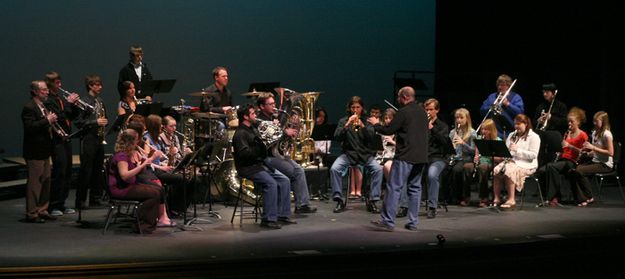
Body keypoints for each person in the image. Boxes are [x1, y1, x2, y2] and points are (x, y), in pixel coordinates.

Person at [369, 86, 428, 231]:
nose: (397, 100)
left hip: (406, 155)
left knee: (394, 187)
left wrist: (376, 124)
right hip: (421, 156)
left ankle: (388, 221)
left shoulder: (403, 112)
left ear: (405, 97)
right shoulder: (422, 112)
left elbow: (389, 130)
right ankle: (413, 223)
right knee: (414, 188)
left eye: (399, 97)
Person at [231, 104, 295, 229]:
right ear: (245, 116)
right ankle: (268, 219)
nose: (256, 115)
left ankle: (282, 215)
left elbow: (263, 144)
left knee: (284, 180)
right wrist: (260, 148)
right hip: (248, 168)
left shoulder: (253, 129)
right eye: (253, 113)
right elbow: (244, 154)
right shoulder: (240, 134)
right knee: (271, 184)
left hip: (259, 165)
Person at [256, 95, 317, 214]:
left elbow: (283, 137)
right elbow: (268, 140)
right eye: (270, 104)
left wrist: (293, 125)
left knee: (299, 170)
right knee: (293, 172)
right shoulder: (260, 120)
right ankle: (284, 210)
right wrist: (284, 132)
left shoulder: (275, 117)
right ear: (262, 106)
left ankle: (302, 204)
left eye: (274, 103)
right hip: (267, 157)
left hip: (277, 155)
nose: (274, 106)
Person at [398, 98, 450, 218]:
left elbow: (444, 142)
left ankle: (432, 207)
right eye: (426, 109)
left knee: (432, 175)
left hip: (438, 158)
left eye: (431, 109)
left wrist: (432, 128)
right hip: (422, 157)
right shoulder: (420, 124)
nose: (428, 112)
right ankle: (404, 206)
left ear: (437, 110)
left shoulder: (443, 126)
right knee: (405, 174)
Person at [330, 96, 383, 213]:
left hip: (365, 154)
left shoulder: (367, 121)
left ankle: (373, 201)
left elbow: (371, 139)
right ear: (349, 108)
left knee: (378, 169)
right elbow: (337, 137)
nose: (355, 110)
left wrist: (363, 127)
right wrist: (348, 124)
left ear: (362, 108)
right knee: (335, 169)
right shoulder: (343, 121)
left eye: (358, 107)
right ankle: (339, 200)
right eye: (353, 107)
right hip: (349, 154)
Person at [108, 129, 164, 233]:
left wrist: (143, 162)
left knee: (158, 190)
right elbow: (124, 176)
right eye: (136, 140)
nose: (138, 143)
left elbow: (134, 172)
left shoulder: (127, 154)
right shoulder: (121, 156)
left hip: (129, 185)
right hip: (121, 190)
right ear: (131, 142)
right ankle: (143, 225)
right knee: (154, 193)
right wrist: (143, 165)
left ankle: (147, 223)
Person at [44, 72, 80, 217]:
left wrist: (75, 106)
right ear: (50, 84)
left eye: (60, 82)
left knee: (68, 171)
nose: (60, 85)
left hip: (66, 137)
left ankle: (62, 203)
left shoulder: (59, 98)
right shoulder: (49, 100)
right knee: (60, 171)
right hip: (57, 139)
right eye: (57, 83)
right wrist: (69, 103)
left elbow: (70, 115)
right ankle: (53, 205)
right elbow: (60, 116)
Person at [21, 80, 58, 223]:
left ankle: (42, 209)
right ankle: (31, 213)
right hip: (34, 151)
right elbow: (30, 127)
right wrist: (47, 120)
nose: (47, 91)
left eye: (47, 89)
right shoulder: (29, 107)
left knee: (46, 181)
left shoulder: (43, 106)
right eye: (43, 89)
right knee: (35, 184)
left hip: (45, 150)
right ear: (35, 92)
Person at [542, 107, 589, 207]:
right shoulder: (567, 133)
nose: (569, 124)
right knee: (545, 168)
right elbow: (564, 148)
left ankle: (553, 197)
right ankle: (554, 196)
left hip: (573, 161)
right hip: (564, 159)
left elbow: (584, 153)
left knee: (551, 166)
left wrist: (570, 146)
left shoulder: (582, 135)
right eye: (569, 122)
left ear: (578, 122)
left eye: (572, 122)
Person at [492, 114, 540, 210]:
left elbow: (533, 155)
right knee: (496, 170)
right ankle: (497, 198)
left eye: (518, 124)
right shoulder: (511, 135)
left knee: (510, 170)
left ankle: (511, 199)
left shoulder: (534, 137)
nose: (516, 126)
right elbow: (507, 151)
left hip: (527, 164)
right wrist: (504, 155)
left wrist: (517, 150)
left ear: (526, 124)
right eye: (515, 124)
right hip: (512, 161)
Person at [74, 75, 108, 209]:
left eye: (100, 84)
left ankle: (95, 198)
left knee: (97, 170)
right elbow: (78, 122)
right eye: (97, 85)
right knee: (86, 171)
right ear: (90, 85)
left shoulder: (99, 100)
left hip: (99, 139)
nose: (100, 87)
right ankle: (80, 200)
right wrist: (95, 122)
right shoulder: (84, 101)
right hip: (88, 139)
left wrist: (104, 122)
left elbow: (103, 116)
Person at [569, 111, 614, 206]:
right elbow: (596, 151)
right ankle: (582, 199)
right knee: (572, 171)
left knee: (579, 171)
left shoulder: (607, 134)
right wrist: (588, 153)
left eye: (596, 121)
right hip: (595, 161)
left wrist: (593, 147)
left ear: (603, 122)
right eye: (593, 121)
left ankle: (588, 197)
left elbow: (611, 152)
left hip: (605, 164)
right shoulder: (594, 133)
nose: (594, 123)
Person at [479, 74, 524, 138]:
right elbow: (482, 110)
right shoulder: (492, 96)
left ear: (508, 86)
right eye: (498, 85)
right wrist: (491, 106)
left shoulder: (516, 97)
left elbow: (520, 113)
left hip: (508, 133)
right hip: (491, 132)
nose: (499, 87)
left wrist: (508, 104)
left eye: (502, 85)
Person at [448, 108, 477, 206]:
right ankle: (446, 196)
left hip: (466, 159)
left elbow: (474, 151)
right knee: (445, 168)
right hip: (455, 157)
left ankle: (458, 197)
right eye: (457, 118)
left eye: (461, 118)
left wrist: (463, 143)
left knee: (456, 170)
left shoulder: (472, 133)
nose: (458, 120)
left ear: (467, 119)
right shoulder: (453, 132)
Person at [473, 119, 503, 207]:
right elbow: (477, 153)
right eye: (482, 129)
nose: (483, 131)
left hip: (494, 163)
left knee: (483, 168)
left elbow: (501, 159)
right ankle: (466, 197)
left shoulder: (497, 140)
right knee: (470, 167)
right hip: (482, 162)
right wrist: (476, 157)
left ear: (491, 130)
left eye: (486, 129)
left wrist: (489, 154)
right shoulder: (479, 139)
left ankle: (484, 197)